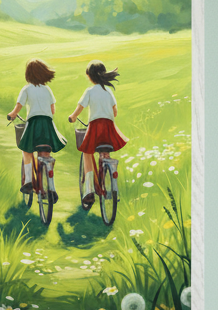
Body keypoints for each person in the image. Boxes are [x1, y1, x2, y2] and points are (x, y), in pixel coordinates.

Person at [68, 60, 128, 206]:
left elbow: (80, 108)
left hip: (95, 127)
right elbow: (115, 111)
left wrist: (73, 117)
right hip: (109, 128)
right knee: (105, 150)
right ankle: (109, 178)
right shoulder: (108, 91)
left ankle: (89, 190)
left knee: (87, 152)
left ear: (90, 76)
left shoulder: (89, 91)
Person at [7, 59, 66, 200]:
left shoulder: (26, 89)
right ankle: (50, 187)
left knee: (27, 151)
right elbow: (52, 109)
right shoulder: (47, 89)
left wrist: (12, 115)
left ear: (28, 74)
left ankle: (28, 181)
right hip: (47, 125)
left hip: (33, 124)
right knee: (45, 154)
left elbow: (18, 107)